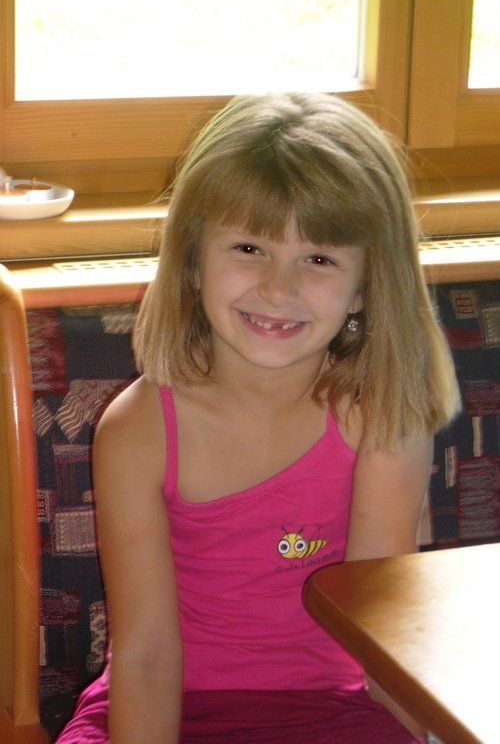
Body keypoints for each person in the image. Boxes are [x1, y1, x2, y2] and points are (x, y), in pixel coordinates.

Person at [56, 92, 460, 744]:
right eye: (249, 247)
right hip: (164, 704)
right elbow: (146, 657)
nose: (278, 287)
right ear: (193, 260)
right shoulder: (139, 430)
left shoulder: (383, 421)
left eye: (319, 258)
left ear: (365, 286)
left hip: (333, 714)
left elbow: (383, 647)